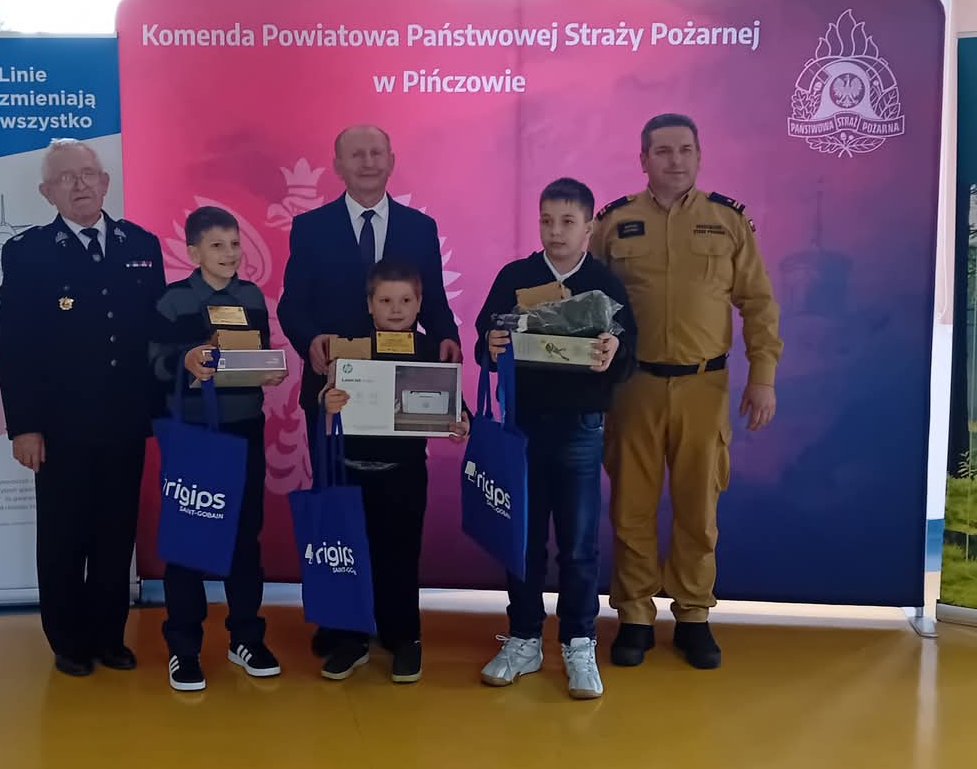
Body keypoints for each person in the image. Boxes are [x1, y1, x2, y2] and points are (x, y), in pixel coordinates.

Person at [590, 113, 782, 670]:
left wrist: (763, 375)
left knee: (699, 507)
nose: (675, 160)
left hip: (704, 386)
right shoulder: (614, 223)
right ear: (643, 159)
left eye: (685, 150)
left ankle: (694, 614)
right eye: (663, 151)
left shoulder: (728, 221)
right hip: (633, 387)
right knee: (631, 506)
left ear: (699, 155)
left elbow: (758, 303)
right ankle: (635, 615)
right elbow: (584, 299)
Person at [278, 124, 461, 656]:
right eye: (355, 154)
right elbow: (292, 304)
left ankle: (393, 622)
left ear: (391, 160)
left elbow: (433, 301)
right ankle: (342, 623)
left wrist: (447, 336)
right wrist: (311, 339)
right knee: (341, 517)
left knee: (395, 521)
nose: (367, 161)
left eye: (376, 152)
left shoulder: (419, 227)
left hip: (400, 398)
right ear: (337, 165)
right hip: (335, 397)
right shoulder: (310, 228)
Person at [0, 138, 165, 677]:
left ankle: (108, 636)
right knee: (64, 535)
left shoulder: (142, 245)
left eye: (88, 174)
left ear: (105, 182)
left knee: (115, 533)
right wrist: (24, 427)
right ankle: (67, 640)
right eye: (66, 178)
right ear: (47, 192)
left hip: (124, 420)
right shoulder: (28, 253)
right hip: (60, 426)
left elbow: (157, 336)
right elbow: (15, 346)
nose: (80, 184)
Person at [474, 177, 637, 700]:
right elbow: (483, 344)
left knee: (579, 547)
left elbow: (628, 355)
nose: (556, 231)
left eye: (568, 221)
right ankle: (524, 639)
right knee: (522, 544)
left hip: (580, 430)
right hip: (522, 429)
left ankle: (578, 642)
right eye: (547, 220)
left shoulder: (604, 284)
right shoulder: (515, 277)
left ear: (589, 228)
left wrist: (614, 353)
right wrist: (489, 344)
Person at [148, 206, 286, 692]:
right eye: (217, 245)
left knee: (245, 537)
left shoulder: (251, 297)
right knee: (187, 539)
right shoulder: (173, 300)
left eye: (235, 244)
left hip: (244, 428)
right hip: (192, 433)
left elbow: (257, 352)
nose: (230, 254)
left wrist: (268, 369)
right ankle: (184, 648)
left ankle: (245, 637)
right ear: (193, 253)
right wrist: (184, 359)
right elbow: (153, 362)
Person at [318, 259, 470, 684]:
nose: (396, 309)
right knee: (350, 559)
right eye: (386, 301)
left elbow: (455, 407)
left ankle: (404, 639)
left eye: (405, 300)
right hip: (350, 473)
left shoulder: (430, 351)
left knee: (400, 559)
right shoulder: (349, 349)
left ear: (420, 303)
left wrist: (462, 422)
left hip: (404, 476)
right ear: (370, 304)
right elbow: (322, 402)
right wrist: (326, 402)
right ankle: (351, 639)